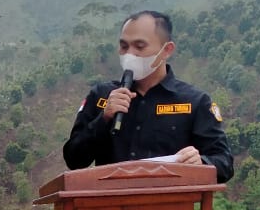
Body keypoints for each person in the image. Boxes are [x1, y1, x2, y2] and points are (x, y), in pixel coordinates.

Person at [62, 11, 234, 183]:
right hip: (110, 198)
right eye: (124, 46)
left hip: (169, 199)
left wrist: (200, 162)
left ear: (166, 50)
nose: (130, 54)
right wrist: (103, 119)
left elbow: (224, 163)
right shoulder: (101, 96)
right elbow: (73, 159)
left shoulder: (195, 102)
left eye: (139, 46)